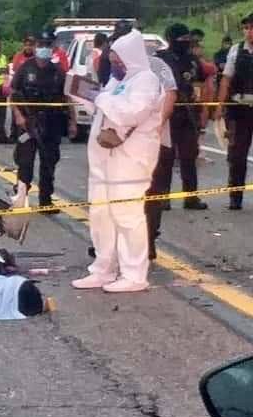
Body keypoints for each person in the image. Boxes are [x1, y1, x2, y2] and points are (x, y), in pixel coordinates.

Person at [72, 30, 163, 293]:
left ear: (130, 57)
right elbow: (105, 107)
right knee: (101, 214)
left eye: (118, 59)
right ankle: (103, 269)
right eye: (112, 59)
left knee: (127, 215)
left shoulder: (146, 80)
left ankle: (134, 274)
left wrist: (101, 98)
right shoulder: (117, 80)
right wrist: (85, 96)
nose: (115, 64)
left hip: (129, 162)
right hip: (104, 160)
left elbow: (130, 112)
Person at [10, 34, 77, 209]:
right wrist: (18, 115)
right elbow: (13, 93)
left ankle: (45, 201)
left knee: (49, 163)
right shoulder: (25, 68)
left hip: (51, 123)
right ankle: (21, 199)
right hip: (28, 122)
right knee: (25, 163)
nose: (44, 47)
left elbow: (67, 97)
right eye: (41, 44)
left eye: (48, 44)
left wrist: (72, 122)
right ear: (36, 46)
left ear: (52, 47)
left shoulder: (58, 71)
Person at [154, 23, 208, 210]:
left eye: (188, 39)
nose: (185, 43)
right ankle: (163, 197)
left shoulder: (193, 60)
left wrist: (202, 110)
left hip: (188, 113)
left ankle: (191, 197)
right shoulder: (160, 59)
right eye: (182, 39)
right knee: (165, 158)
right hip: (168, 114)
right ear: (171, 40)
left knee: (189, 156)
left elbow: (200, 83)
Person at [214, 13, 253, 210]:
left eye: (252, 28)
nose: (249, 32)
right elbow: (226, 80)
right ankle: (235, 197)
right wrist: (219, 106)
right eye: (246, 28)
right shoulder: (236, 51)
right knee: (237, 155)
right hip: (239, 110)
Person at [145, 50, 180, 260]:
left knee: (152, 193)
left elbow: (171, 93)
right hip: (124, 147)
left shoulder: (157, 66)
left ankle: (148, 240)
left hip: (155, 142)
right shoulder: (118, 70)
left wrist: (158, 123)